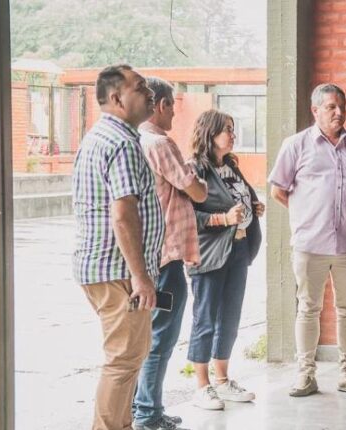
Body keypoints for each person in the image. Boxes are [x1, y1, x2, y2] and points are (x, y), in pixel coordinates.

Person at [268, 83, 346, 398]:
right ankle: (305, 375)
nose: (339, 112)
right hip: (310, 244)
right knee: (308, 308)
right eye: (332, 107)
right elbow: (278, 190)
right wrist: (308, 214)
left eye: (342, 106)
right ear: (315, 110)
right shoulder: (296, 145)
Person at [72, 64, 163, 430]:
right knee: (124, 360)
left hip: (103, 269)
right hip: (119, 273)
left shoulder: (100, 136)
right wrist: (141, 278)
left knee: (127, 358)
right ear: (116, 98)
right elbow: (123, 215)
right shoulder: (122, 143)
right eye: (140, 88)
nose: (150, 94)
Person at [132, 77, 208, 430]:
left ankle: (141, 408)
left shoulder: (134, 140)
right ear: (160, 105)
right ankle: (147, 412)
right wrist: (196, 178)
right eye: (173, 107)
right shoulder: (160, 142)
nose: (175, 114)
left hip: (146, 257)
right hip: (166, 257)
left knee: (142, 336)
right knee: (160, 336)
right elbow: (196, 190)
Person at [186, 109, 264, 410]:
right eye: (226, 130)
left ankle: (222, 380)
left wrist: (251, 206)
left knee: (230, 318)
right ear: (210, 133)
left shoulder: (231, 166)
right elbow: (187, 215)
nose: (232, 135)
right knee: (205, 318)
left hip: (239, 250)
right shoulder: (195, 169)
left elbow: (237, 199)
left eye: (233, 129)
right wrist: (222, 218)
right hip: (209, 254)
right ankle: (201, 386)